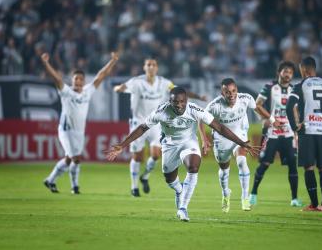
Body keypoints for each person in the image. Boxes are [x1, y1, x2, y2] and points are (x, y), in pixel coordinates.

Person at [106, 86, 259, 222]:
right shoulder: (161, 111)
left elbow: (219, 127)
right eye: (175, 102)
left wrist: (241, 143)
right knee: (170, 180)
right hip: (169, 146)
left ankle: (183, 209)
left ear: (186, 100)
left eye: (182, 102)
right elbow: (142, 128)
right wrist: (122, 145)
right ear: (170, 101)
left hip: (189, 144)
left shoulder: (195, 109)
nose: (179, 105)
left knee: (193, 167)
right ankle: (180, 190)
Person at [113, 58, 205, 197]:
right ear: (144, 67)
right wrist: (118, 88)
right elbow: (120, 88)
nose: (151, 67)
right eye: (148, 64)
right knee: (137, 157)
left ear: (157, 68)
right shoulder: (136, 82)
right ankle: (134, 187)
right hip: (139, 123)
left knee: (156, 155)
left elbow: (180, 92)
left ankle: (145, 176)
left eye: (154, 65)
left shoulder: (164, 83)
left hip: (156, 124)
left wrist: (198, 97)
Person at [42, 51, 119, 194]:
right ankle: (75, 186)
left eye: (80, 79)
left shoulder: (87, 91)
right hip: (66, 130)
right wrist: (46, 63)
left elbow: (101, 75)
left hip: (79, 132)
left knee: (68, 159)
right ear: (72, 80)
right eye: (75, 79)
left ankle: (50, 180)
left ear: (83, 81)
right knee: (75, 158)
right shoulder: (66, 92)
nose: (78, 81)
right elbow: (56, 78)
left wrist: (113, 61)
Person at [199, 78, 280, 212]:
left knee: (242, 162)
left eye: (233, 91)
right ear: (222, 93)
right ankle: (225, 194)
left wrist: (272, 120)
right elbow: (200, 119)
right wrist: (204, 139)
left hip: (241, 134)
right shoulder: (215, 106)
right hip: (221, 139)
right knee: (224, 171)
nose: (231, 94)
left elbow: (257, 108)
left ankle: (245, 198)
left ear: (237, 90)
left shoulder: (245, 99)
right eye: (227, 92)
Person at [286, 56, 322, 211]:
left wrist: (295, 127)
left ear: (304, 69)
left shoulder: (301, 85)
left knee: (309, 168)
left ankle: (314, 204)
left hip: (307, 131)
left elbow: (289, 106)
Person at [249, 61, 303, 208]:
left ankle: (294, 199)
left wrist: (297, 127)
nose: (288, 74)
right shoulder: (269, 87)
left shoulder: (295, 89)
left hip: (289, 133)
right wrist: (266, 119)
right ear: (279, 72)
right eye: (285, 71)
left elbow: (296, 111)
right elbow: (257, 105)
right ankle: (253, 193)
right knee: (264, 164)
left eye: (291, 72)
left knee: (293, 163)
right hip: (272, 132)